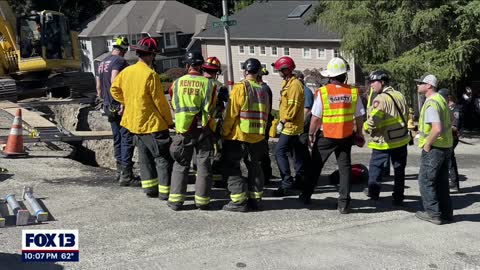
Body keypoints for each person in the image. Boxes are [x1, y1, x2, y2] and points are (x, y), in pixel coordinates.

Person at [299, 57, 365, 214]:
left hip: (326, 135)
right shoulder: (353, 92)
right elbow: (359, 116)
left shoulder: (323, 92)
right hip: (346, 135)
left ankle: (306, 196)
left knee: (315, 167)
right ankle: (344, 204)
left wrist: (311, 134)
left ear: (330, 76)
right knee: (345, 169)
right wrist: (359, 133)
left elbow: (315, 118)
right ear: (344, 76)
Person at [110, 37, 174, 199]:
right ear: (150, 55)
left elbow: (114, 90)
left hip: (134, 125)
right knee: (162, 158)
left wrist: (128, 101)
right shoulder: (150, 75)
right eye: (153, 55)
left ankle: (150, 189)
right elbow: (160, 102)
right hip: (153, 125)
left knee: (144, 158)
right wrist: (169, 121)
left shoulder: (127, 72)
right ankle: (165, 192)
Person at [168, 50, 217, 211]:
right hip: (203, 128)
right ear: (201, 65)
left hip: (183, 129)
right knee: (203, 166)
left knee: (181, 164)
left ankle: (176, 201)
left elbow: (174, 104)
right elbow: (212, 105)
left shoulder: (176, 83)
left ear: (187, 65)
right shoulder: (208, 83)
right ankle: (202, 201)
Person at [222, 58, 270, 212]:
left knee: (232, 167)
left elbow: (231, 113)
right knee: (255, 167)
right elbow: (267, 114)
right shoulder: (263, 90)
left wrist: (224, 132)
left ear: (245, 71)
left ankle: (238, 201)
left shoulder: (240, 87)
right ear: (258, 73)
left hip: (239, 136)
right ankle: (256, 199)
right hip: (257, 136)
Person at [362, 71, 410, 205]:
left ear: (382, 82)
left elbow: (374, 120)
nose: (371, 85)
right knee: (399, 170)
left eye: (373, 82)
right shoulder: (399, 95)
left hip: (384, 141)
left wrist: (365, 127)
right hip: (401, 139)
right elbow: (406, 114)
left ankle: (373, 192)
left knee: (375, 167)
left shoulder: (380, 99)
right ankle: (398, 196)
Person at [96, 37, 137, 186]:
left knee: (117, 138)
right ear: (124, 49)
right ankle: (126, 175)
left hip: (108, 106)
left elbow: (99, 88)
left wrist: (106, 102)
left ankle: (119, 171)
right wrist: (122, 102)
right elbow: (114, 80)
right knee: (126, 138)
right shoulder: (119, 61)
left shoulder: (102, 63)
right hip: (119, 106)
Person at [414, 74, 453, 225]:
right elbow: (451, 119)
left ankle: (433, 213)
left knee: (426, 181)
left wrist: (427, 144)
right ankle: (446, 213)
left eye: (420, 83)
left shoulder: (431, 103)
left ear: (428, 85)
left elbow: (436, 129)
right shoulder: (441, 99)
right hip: (446, 146)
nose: (418, 85)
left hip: (434, 148)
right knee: (442, 182)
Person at [272, 56, 307, 196]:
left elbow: (293, 106)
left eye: (280, 70)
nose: (278, 72)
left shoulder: (294, 85)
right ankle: (299, 180)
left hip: (290, 126)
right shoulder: (287, 83)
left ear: (286, 70)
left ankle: (287, 183)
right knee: (296, 154)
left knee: (279, 151)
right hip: (291, 126)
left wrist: (283, 121)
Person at [202, 56, 229, 187]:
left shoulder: (197, 83)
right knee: (217, 150)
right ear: (216, 72)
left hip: (199, 124)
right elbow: (226, 107)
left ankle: (201, 178)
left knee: (201, 152)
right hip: (215, 124)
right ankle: (217, 179)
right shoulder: (220, 87)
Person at [438, 88, 461, 191]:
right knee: (450, 159)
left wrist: (442, 126)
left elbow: (455, 127)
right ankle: (454, 182)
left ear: (448, 97)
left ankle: (454, 183)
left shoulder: (455, 109)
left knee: (449, 160)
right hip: (447, 137)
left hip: (452, 137)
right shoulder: (446, 108)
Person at [258, 67, 274, 185]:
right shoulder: (263, 88)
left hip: (263, 124)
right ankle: (266, 173)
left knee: (262, 150)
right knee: (263, 150)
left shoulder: (263, 89)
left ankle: (266, 175)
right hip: (262, 123)